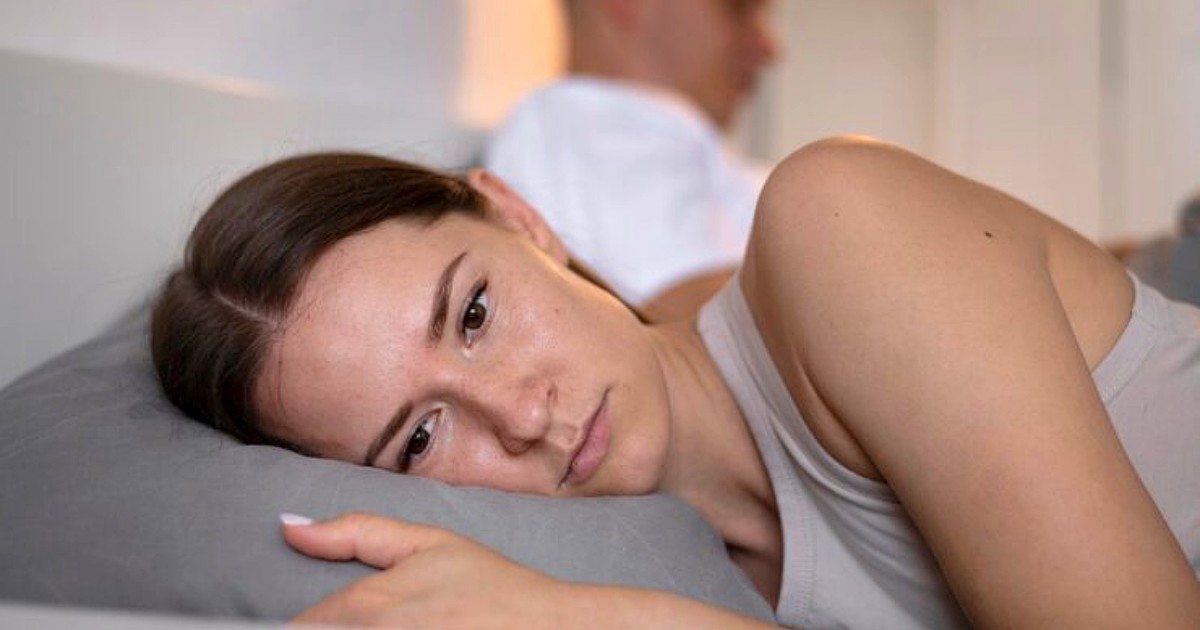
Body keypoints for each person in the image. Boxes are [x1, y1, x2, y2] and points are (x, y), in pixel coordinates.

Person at [152, 137, 1200, 628]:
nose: (520, 413)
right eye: (420, 439)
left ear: (520, 217)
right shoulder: (685, 562)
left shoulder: (836, 221)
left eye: (473, 313)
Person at [483, 0, 779, 321]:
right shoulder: (585, 123)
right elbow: (697, 329)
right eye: (739, 8)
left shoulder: (633, 135)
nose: (770, 47)